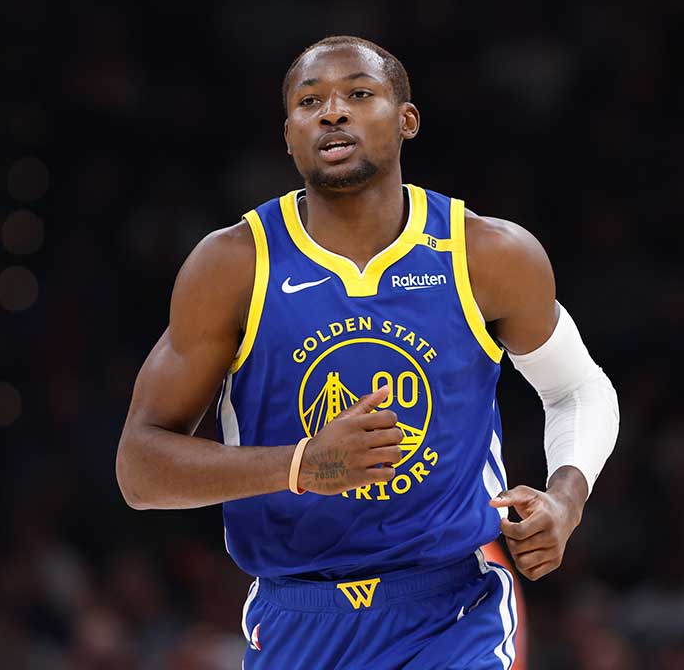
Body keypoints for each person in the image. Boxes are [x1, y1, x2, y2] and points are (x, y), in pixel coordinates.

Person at [116, 35, 619, 669]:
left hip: (451, 609)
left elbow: (578, 389)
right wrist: (301, 466)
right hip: (296, 613)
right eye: (310, 101)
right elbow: (140, 467)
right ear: (290, 135)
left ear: (406, 120)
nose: (333, 112)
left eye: (359, 93)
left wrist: (566, 498)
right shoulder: (233, 265)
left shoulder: (488, 254)